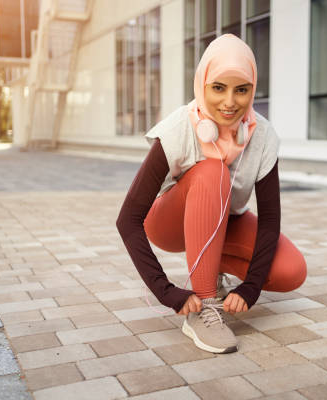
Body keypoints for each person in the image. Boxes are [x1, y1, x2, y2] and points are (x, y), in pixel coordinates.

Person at [116, 34, 307, 354]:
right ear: (202, 84)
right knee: (212, 171)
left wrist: (251, 288)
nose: (230, 102)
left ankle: (211, 272)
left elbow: (270, 221)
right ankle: (204, 308)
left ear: (253, 89)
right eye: (218, 87)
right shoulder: (179, 128)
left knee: (291, 271)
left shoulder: (262, 136)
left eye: (241, 89)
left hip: (225, 220)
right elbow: (128, 220)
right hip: (168, 223)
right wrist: (166, 291)